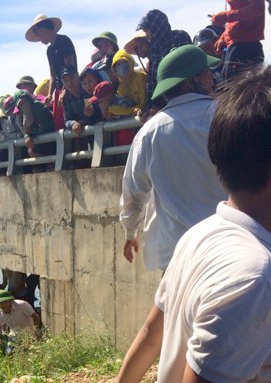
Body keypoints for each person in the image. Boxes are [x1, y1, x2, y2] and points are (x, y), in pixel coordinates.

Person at [116, 65, 271, 383]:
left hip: (201, 241)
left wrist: (130, 232)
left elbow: (150, 335)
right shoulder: (256, 280)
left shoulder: (195, 238)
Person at [120, 45, 227, 272]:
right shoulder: (226, 115)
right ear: (190, 81)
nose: (211, 77)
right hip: (226, 249)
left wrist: (131, 233)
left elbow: (133, 194)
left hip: (176, 256)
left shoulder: (148, 133)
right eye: (205, 72)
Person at [26, 14, 77, 131]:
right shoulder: (49, 50)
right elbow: (53, 75)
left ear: (42, 30)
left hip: (72, 86)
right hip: (60, 90)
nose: (39, 39)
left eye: (38, 34)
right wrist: (49, 94)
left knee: (71, 120)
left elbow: (70, 68)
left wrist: (65, 90)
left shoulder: (64, 41)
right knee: (59, 123)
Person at [135, 9, 192, 110]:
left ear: (156, 27)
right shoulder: (154, 50)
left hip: (189, 97)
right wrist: (150, 107)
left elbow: (186, 70)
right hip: (169, 104)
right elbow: (152, 82)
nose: (146, 35)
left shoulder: (179, 36)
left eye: (147, 30)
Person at [211, 0, 265, 80]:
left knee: (240, 86)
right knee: (229, 84)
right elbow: (236, 20)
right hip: (235, 46)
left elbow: (256, 9)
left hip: (245, 47)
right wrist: (223, 38)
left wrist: (224, 16)